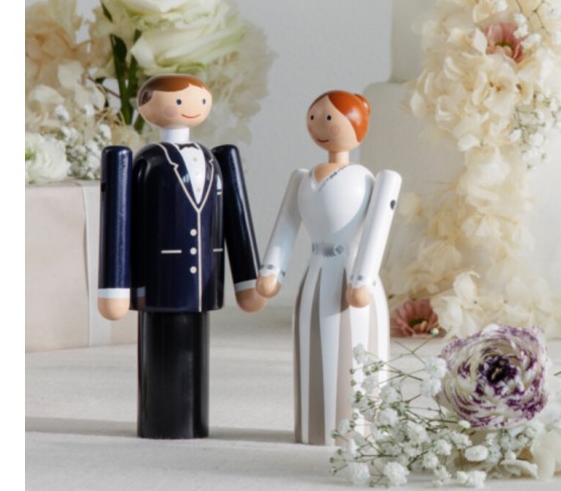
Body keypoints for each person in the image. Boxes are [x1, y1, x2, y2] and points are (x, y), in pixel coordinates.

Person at [98, 74, 265, 439]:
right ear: (147, 106)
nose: (188, 107)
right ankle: (160, 423)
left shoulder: (216, 160)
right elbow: (119, 220)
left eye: (199, 100)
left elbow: (236, 218)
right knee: (161, 357)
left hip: (202, 282)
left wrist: (247, 280)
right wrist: (114, 286)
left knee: (193, 360)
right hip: (160, 279)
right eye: (177, 101)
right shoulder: (145, 162)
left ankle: (192, 424)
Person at [258, 91, 401, 445]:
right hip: (316, 279)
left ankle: (362, 429)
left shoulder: (369, 180)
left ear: (357, 126)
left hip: (354, 284)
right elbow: (286, 225)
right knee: (313, 356)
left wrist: (363, 278)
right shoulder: (302, 179)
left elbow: (376, 231)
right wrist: (272, 269)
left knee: (359, 355)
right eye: (314, 118)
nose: (319, 126)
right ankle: (315, 428)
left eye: (328, 118)